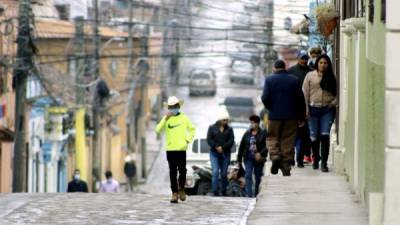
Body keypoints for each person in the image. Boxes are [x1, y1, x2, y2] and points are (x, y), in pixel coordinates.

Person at [261, 60, 306, 176]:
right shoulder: (294, 80)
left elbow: (265, 97)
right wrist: (301, 116)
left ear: (274, 68)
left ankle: (275, 156)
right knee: (288, 141)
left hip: (274, 116)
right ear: (284, 68)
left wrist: (270, 107)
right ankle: (286, 168)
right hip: (291, 116)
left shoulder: (269, 80)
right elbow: (301, 100)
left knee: (272, 137)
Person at [156, 96, 196, 203]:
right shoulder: (166, 119)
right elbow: (158, 130)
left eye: (175, 106)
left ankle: (181, 188)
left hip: (181, 149)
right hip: (170, 150)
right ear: (168, 108)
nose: (173, 108)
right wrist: (165, 118)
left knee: (183, 171)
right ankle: (174, 193)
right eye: (171, 107)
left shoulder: (184, 118)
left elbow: (192, 130)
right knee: (172, 172)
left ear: (178, 106)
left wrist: (187, 140)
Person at [302, 54, 337, 172]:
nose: (323, 65)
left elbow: (338, 92)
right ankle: (315, 159)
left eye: (325, 63)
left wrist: (333, 102)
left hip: (327, 110)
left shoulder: (332, 77)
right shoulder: (310, 76)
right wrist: (305, 110)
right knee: (314, 136)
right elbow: (304, 94)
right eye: (321, 62)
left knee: (325, 135)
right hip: (313, 110)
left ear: (328, 65)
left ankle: (324, 163)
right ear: (317, 63)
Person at [288, 50, 313, 167]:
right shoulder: (291, 71)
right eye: (302, 58)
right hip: (292, 106)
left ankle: (301, 157)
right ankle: (292, 158)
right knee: (292, 135)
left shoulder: (311, 72)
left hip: (307, 106)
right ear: (298, 58)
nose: (304, 60)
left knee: (304, 136)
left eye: (305, 58)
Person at [207, 107, 235, 196]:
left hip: (225, 154)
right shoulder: (212, 128)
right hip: (214, 153)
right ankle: (214, 190)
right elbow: (209, 139)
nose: (226, 122)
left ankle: (224, 190)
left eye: (227, 120)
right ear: (219, 120)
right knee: (215, 171)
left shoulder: (229, 129)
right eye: (224, 120)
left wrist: (223, 147)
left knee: (223, 173)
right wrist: (216, 147)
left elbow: (231, 141)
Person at [237, 115, 267, 197]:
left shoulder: (263, 133)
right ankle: (248, 195)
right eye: (251, 123)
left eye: (254, 123)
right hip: (248, 158)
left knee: (258, 177)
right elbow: (241, 147)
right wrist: (239, 159)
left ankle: (256, 193)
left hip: (258, 159)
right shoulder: (247, 134)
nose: (252, 124)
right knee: (248, 175)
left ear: (258, 123)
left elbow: (267, 145)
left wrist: (260, 153)